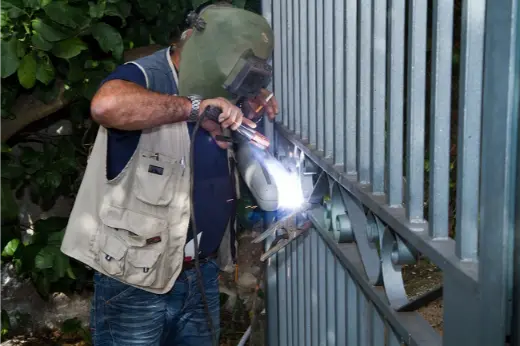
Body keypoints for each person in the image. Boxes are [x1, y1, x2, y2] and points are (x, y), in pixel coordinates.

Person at [59, 2, 278, 346]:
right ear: (198, 44)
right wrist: (193, 108)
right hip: (135, 282)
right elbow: (106, 105)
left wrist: (251, 108)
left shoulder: (222, 88)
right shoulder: (146, 76)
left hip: (201, 274)